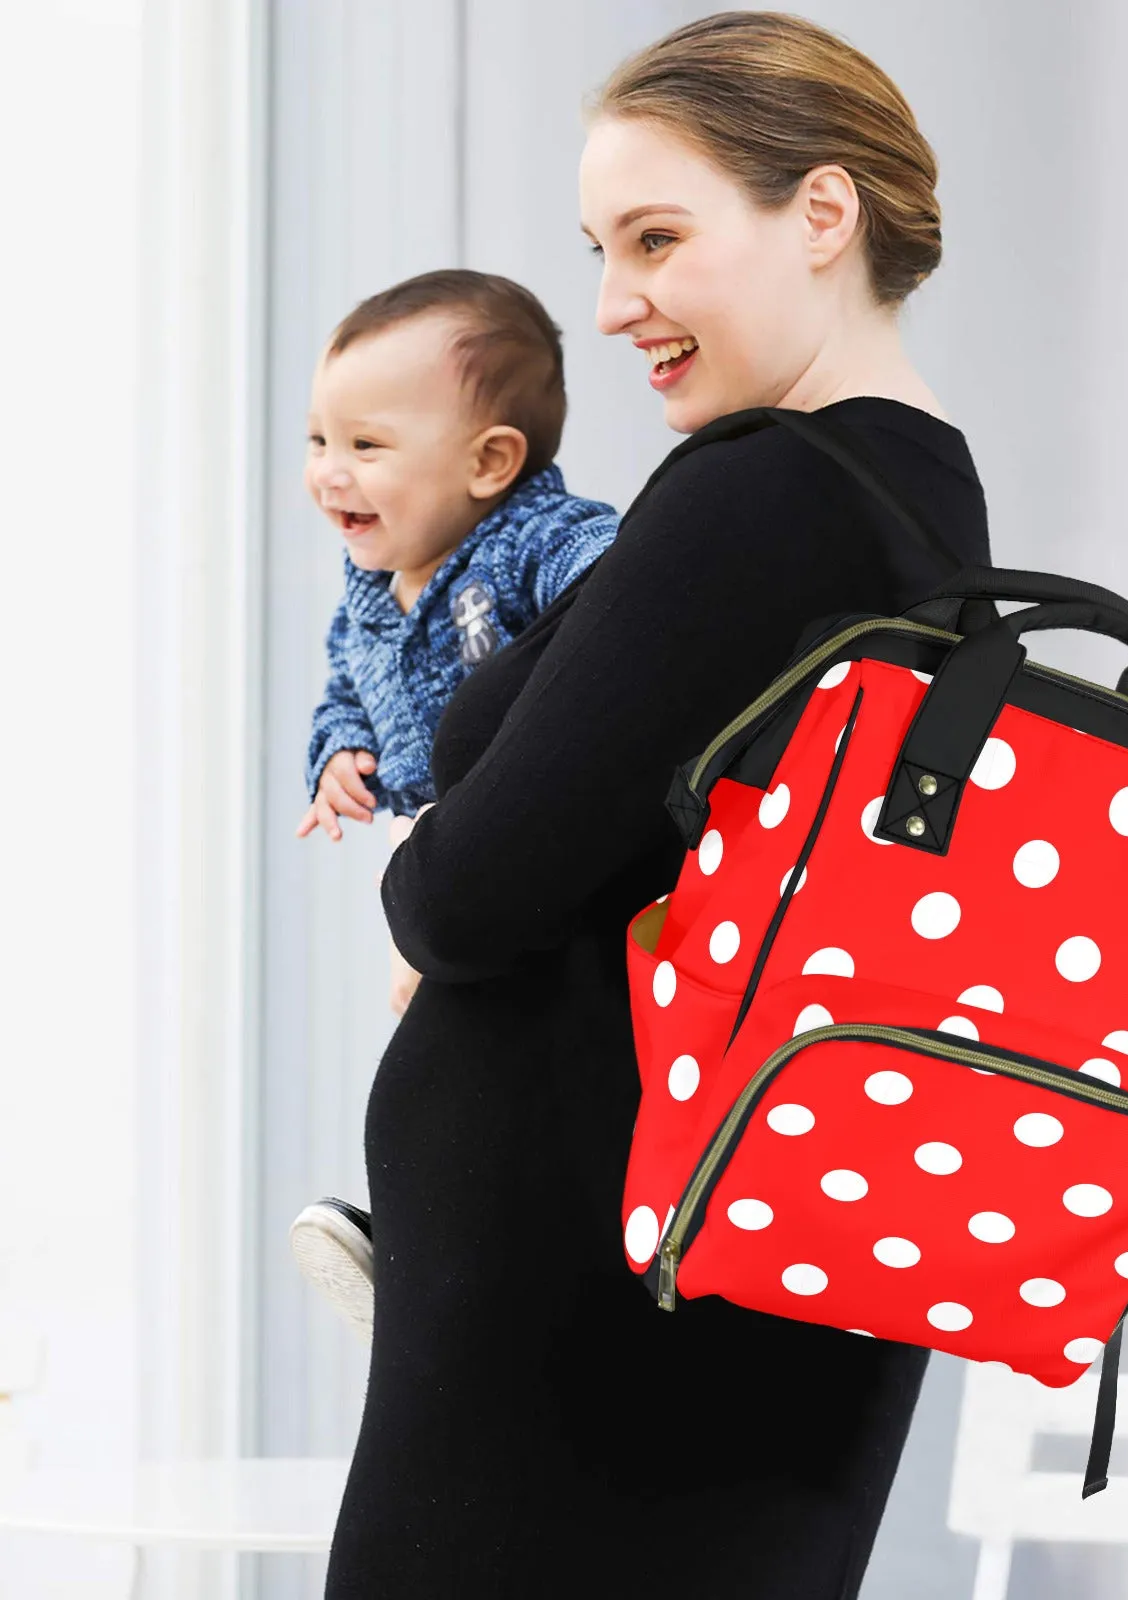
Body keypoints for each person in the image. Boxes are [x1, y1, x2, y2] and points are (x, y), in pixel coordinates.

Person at [323, 13, 991, 1597]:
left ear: (822, 215)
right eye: (601, 248)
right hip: (721, 1314)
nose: (615, 304)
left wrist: (420, 882)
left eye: (660, 239)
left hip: (586, 1367)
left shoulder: (769, 492)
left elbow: (478, 888)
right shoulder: (924, 499)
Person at [291, 271, 617, 1329]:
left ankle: (453, 1247)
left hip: (513, 840)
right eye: (317, 440)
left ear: (490, 463)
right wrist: (337, 750)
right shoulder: (369, 580)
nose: (327, 474)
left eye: (366, 446)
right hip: (428, 851)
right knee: (444, 1044)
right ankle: (425, 1245)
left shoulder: (527, 539)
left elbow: (617, 577)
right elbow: (346, 678)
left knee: (483, 1046)